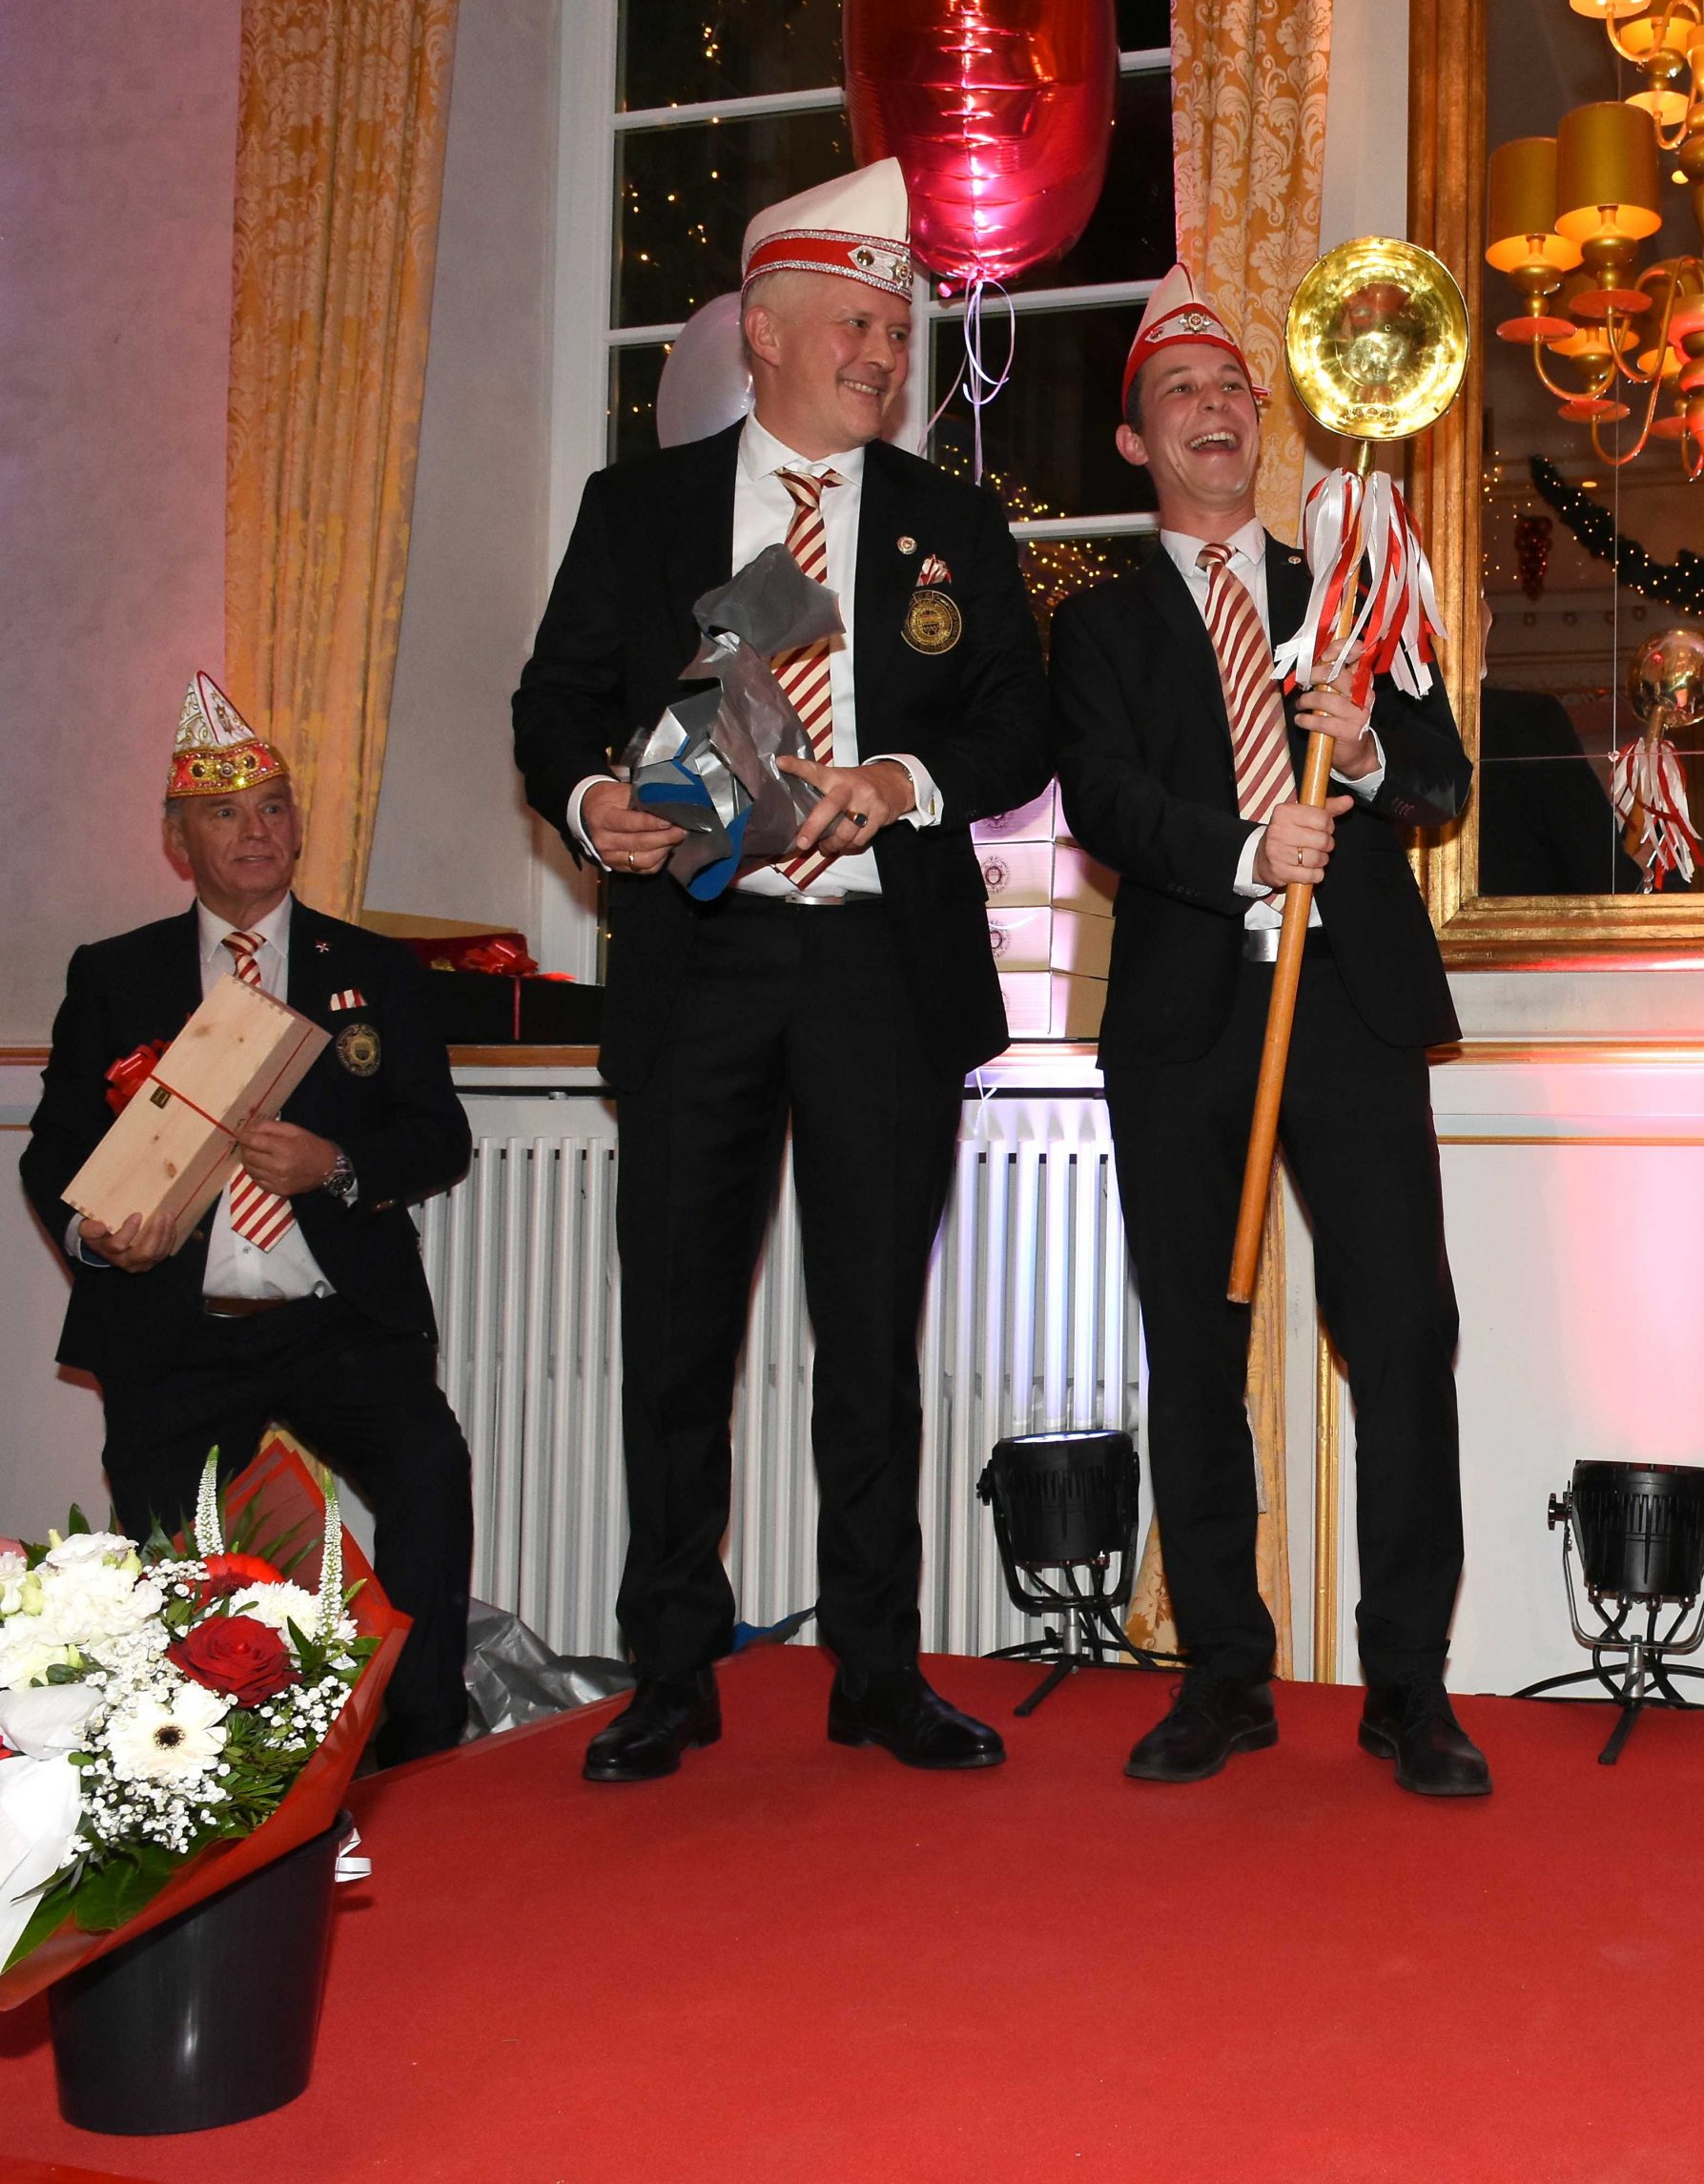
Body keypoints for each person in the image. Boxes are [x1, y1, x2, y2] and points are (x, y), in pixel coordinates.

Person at [513, 159, 1051, 1784]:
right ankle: (671, 1672)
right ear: (762, 331)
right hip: (702, 965)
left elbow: (1018, 728)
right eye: (856, 328)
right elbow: (553, 704)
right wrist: (590, 801)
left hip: (883, 966)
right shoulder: (640, 510)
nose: (885, 357)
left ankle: (877, 1669)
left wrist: (897, 780)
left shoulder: (954, 525)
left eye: (896, 333)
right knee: (678, 1336)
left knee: (870, 1343)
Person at [1048, 268, 1486, 1797]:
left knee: (1406, 1334)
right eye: (1182, 391)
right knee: (1195, 1341)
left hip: (1347, 1001)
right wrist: (1248, 848)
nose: (1218, 407)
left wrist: (1359, 757)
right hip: (1189, 1014)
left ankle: (1409, 1686)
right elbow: (1103, 800)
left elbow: (1443, 781)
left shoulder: (1348, 584)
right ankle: (1225, 1673)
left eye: (1234, 385)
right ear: (1136, 442)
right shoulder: (1097, 624)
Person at [21, 674, 476, 1767]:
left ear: (298, 826)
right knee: (169, 1561)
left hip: (336, 1319)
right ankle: (191, 1760)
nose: (256, 831)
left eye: (273, 807)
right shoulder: (114, 975)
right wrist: (95, 1234)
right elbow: (54, 1150)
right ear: (178, 840)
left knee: (429, 1475)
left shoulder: (370, 970)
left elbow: (440, 1137)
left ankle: (420, 1745)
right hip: (176, 1331)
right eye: (224, 813)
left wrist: (338, 1164)